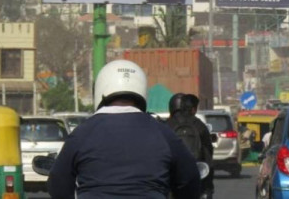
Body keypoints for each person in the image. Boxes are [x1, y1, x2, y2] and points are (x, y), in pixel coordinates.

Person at [47, 60, 200, 199]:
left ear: (100, 89)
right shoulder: (163, 132)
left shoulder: (82, 133)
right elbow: (189, 179)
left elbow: (58, 184)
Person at [166, 93, 214, 199]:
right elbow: (208, 152)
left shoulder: (166, 124)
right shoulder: (199, 124)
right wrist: (209, 187)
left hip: (171, 176)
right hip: (195, 174)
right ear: (193, 108)